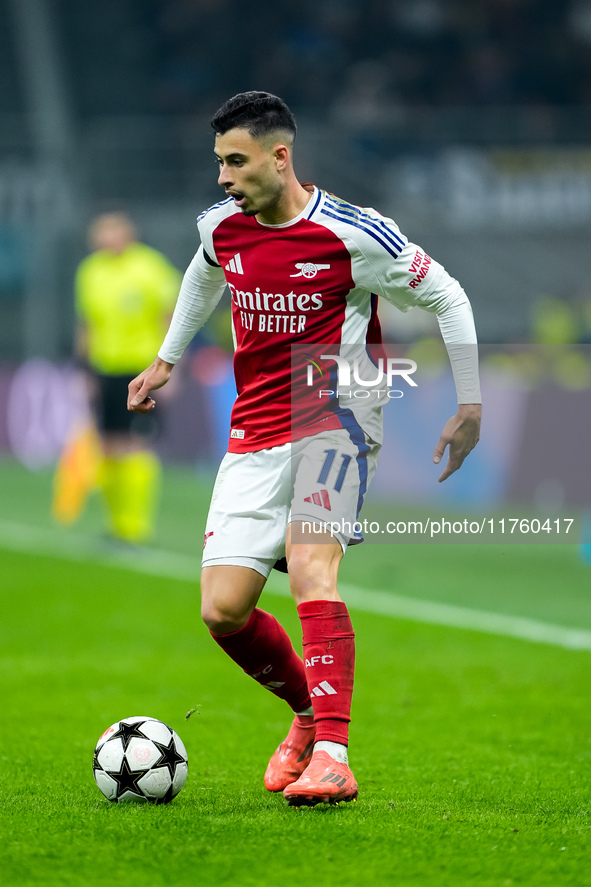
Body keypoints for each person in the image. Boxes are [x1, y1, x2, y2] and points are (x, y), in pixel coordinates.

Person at [128, 92, 481, 806]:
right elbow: (203, 270)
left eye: (235, 161)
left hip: (338, 415)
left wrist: (469, 402)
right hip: (255, 427)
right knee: (222, 610)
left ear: (278, 156)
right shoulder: (221, 226)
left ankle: (333, 753)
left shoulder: (356, 234)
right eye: (219, 162)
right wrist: (167, 358)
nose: (223, 178)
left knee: (312, 569)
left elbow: (447, 296)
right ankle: (306, 714)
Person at [74, 211, 181, 543]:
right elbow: (87, 324)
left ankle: (136, 527)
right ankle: (116, 525)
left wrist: (171, 368)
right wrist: (85, 371)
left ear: (128, 233)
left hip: (140, 370)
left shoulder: (151, 268)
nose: (103, 237)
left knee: (135, 446)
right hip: (105, 368)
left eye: (110, 230)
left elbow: (172, 319)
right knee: (107, 447)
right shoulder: (90, 270)